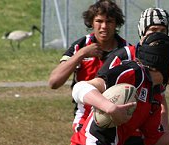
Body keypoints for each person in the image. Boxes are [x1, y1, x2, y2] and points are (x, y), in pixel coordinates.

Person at [98, 7, 169, 145]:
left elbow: (159, 97)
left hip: (143, 142)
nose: (158, 36)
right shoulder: (123, 56)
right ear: (142, 32)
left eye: (163, 31)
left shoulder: (165, 59)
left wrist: (164, 124)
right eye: (153, 30)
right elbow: (98, 89)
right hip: (115, 141)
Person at [48, 0, 130, 132]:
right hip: (84, 119)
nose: (104, 26)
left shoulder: (127, 51)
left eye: (109, 21)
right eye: (99, 21)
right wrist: (81, 54)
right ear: (91, 22)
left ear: (116, 24)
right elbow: (54, 82)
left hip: (117, 116)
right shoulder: (80, 46)